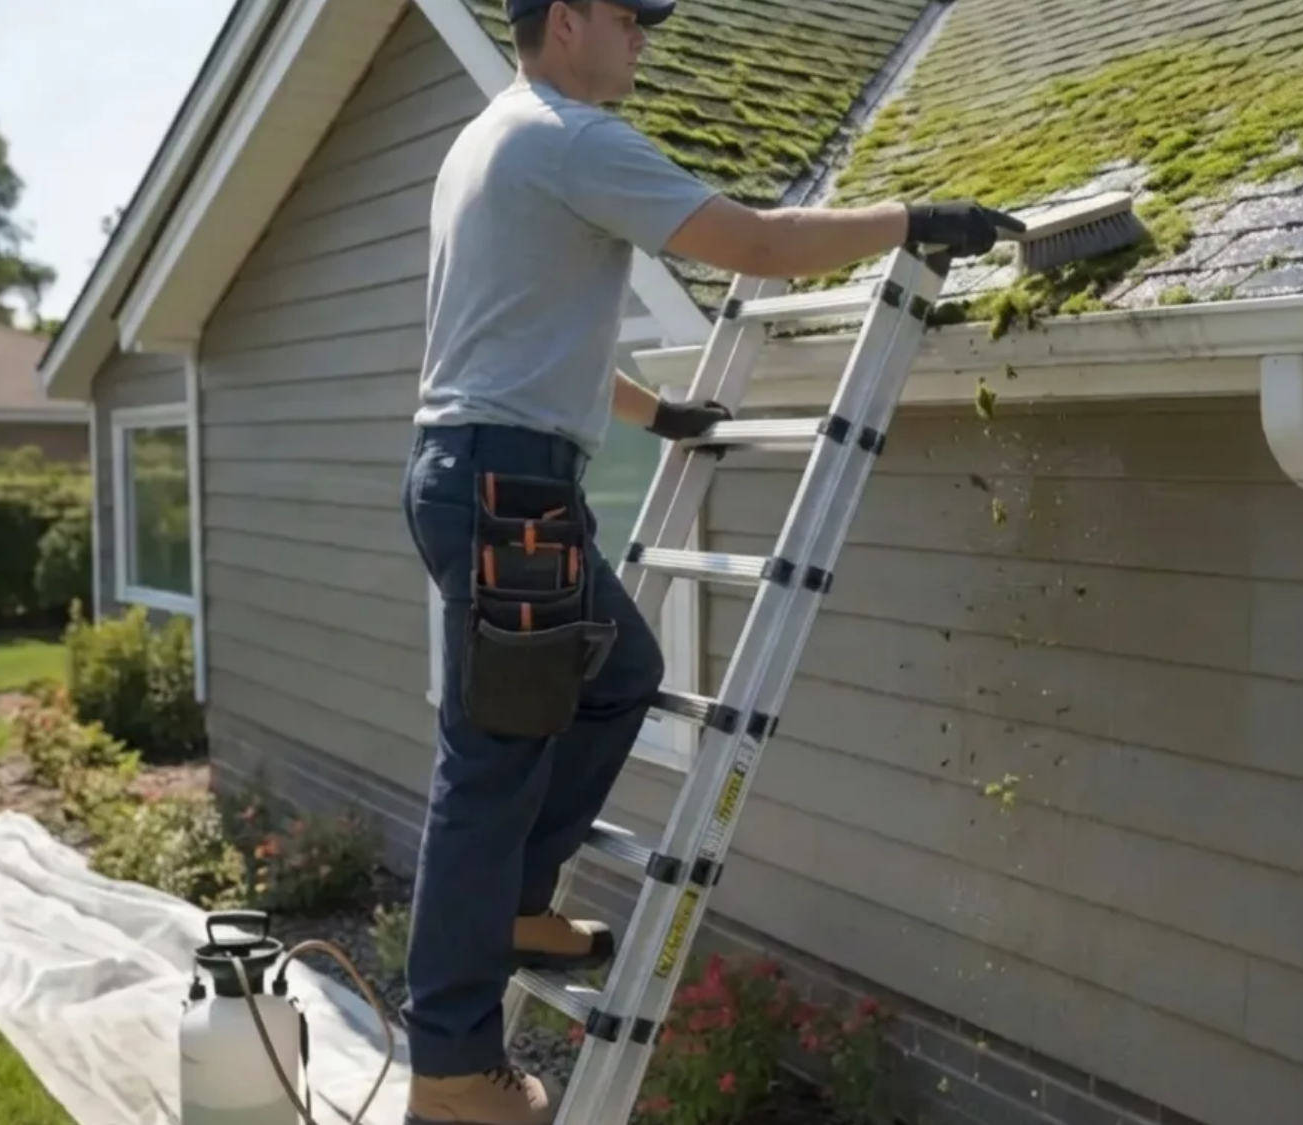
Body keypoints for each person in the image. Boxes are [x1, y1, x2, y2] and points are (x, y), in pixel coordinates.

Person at [398, 0, 1024, 1121]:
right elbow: (760, 244)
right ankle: (450, 1065)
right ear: (573, 18)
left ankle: (517, 900)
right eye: (633, 17)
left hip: (495, 479)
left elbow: (515, 328)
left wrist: (652, 413)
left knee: (621, 676)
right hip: (508, 493)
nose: (645, 36)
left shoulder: (491, 137)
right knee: (488, 769)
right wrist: (911, 217)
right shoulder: (567, 135)